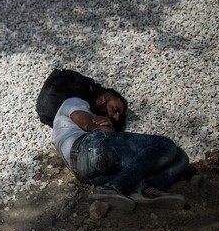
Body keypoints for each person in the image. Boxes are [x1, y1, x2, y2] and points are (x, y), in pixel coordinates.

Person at [53, 88, 189, 211]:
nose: (116, 116)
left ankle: (141, 188)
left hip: (89, 173)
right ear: (101, 100)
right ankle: (114, 188)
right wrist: (102, 126)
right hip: (86, 149)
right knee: (165, 145)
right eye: (115, 109)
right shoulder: (74, 102)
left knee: (180, 156)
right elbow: (88, 124)